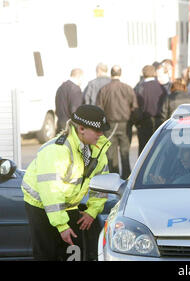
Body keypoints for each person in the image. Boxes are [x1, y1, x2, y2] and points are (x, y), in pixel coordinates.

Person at [21, 104, 111, 261]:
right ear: (81, 129)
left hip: (69, 204)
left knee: (73, 251)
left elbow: (101, 184)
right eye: (97, 130)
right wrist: (62, 226)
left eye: (103, 129)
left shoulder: (98, 149)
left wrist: (92, 211)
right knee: (47, 254)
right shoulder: (56, 151)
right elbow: (51, 191)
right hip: (41, 205)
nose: (101, 134)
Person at [96, 65, 138, 179]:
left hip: (110, 124)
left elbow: (99, 108)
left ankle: (114, 178)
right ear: (120, 73)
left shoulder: (104, 89)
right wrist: (133, 122)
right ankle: (126, 176)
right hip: (125, 124)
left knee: (111, 153)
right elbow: (134, 107)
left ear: (111, 74)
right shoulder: (128, 88)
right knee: (125, 152)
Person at [136, 65, 168, 155]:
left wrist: (137, 122)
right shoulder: (162, 88)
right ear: (154, 73)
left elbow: (136, 107)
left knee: (144, 150)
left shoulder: (140, 88)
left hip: (144, 123)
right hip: (159, 121)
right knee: (157, 149)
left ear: (143, 73)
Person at [55, 68, 84, 133]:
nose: (82, 81)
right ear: (79, 76)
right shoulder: (76, 89)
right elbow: (75, 111)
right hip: (70, 127)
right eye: (82, 78)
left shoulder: (61, 87)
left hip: (60, 124)